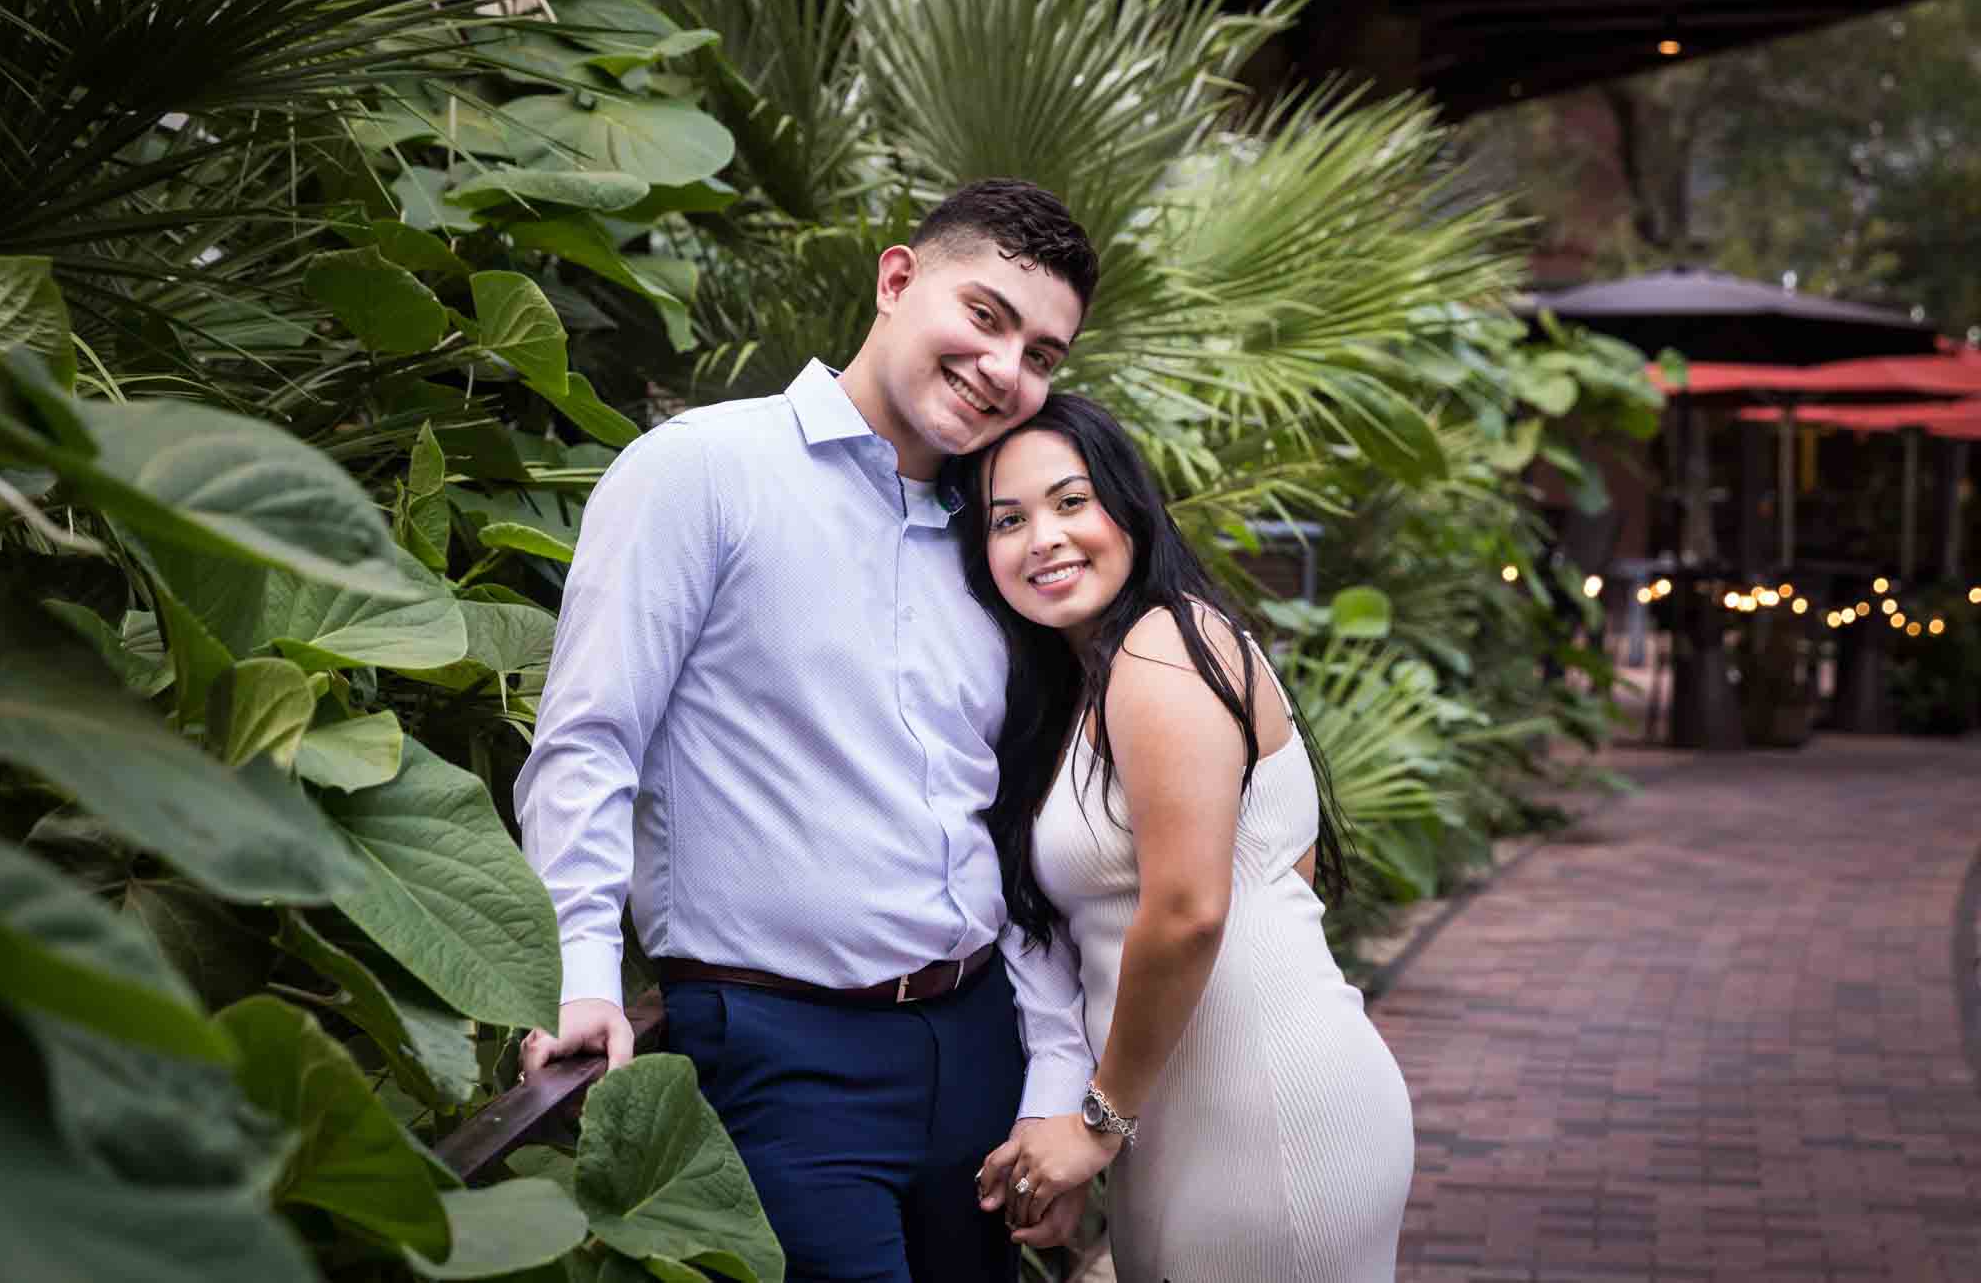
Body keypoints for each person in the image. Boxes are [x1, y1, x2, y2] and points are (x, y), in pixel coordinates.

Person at [512, 179, 1103, 1282]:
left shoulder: (997, 538)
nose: (1004, 370)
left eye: (1041, 354)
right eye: (983, 316)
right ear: (894, 279)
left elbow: (1006, 821)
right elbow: (591, 737)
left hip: (977, 1039)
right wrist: (581, 976)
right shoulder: (702, 469)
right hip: (779, 1053)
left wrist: (1052, 1081)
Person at [963, 395, 1416, 1281]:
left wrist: (1095, 1125)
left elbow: (1191, 910)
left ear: (1128, 507)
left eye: (1070, 501)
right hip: (1174, 1120)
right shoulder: (1089, 683)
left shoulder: (1163, 647)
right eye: (1007, 520)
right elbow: (1280, 866)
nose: (1042, 537)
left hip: (1266, 1115)